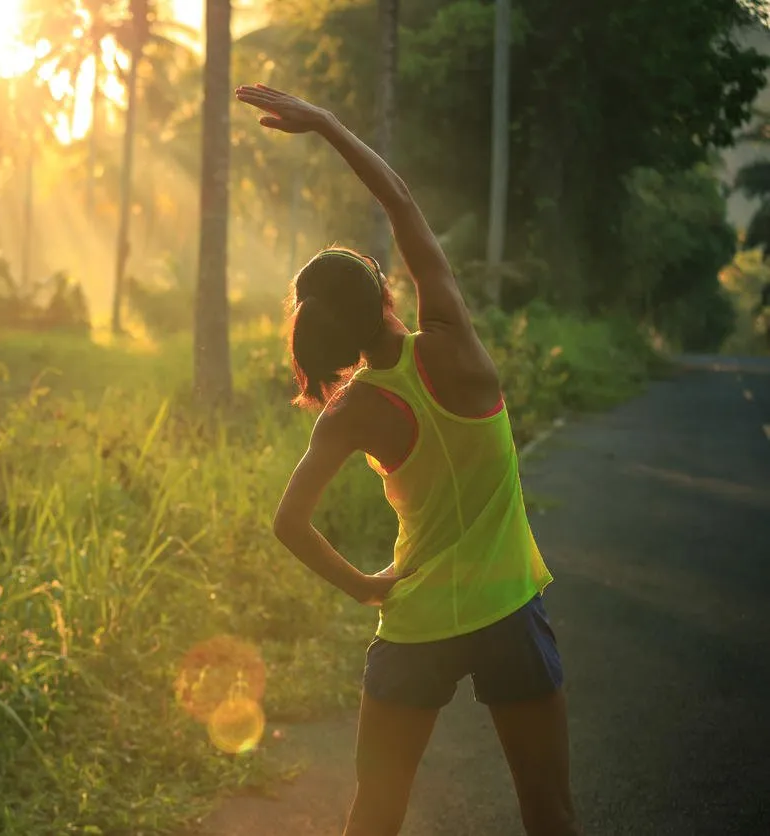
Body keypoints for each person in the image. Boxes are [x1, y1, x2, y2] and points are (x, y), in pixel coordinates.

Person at [235, 83, 580, 836]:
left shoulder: (350, 412)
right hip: (509, 610)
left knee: (376, 813)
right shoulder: (453, 341)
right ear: (386, 289)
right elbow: (401, 203)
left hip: (415, 621)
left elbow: (289, 523)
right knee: (548, 812)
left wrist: (365, 588)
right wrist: (327, 122)